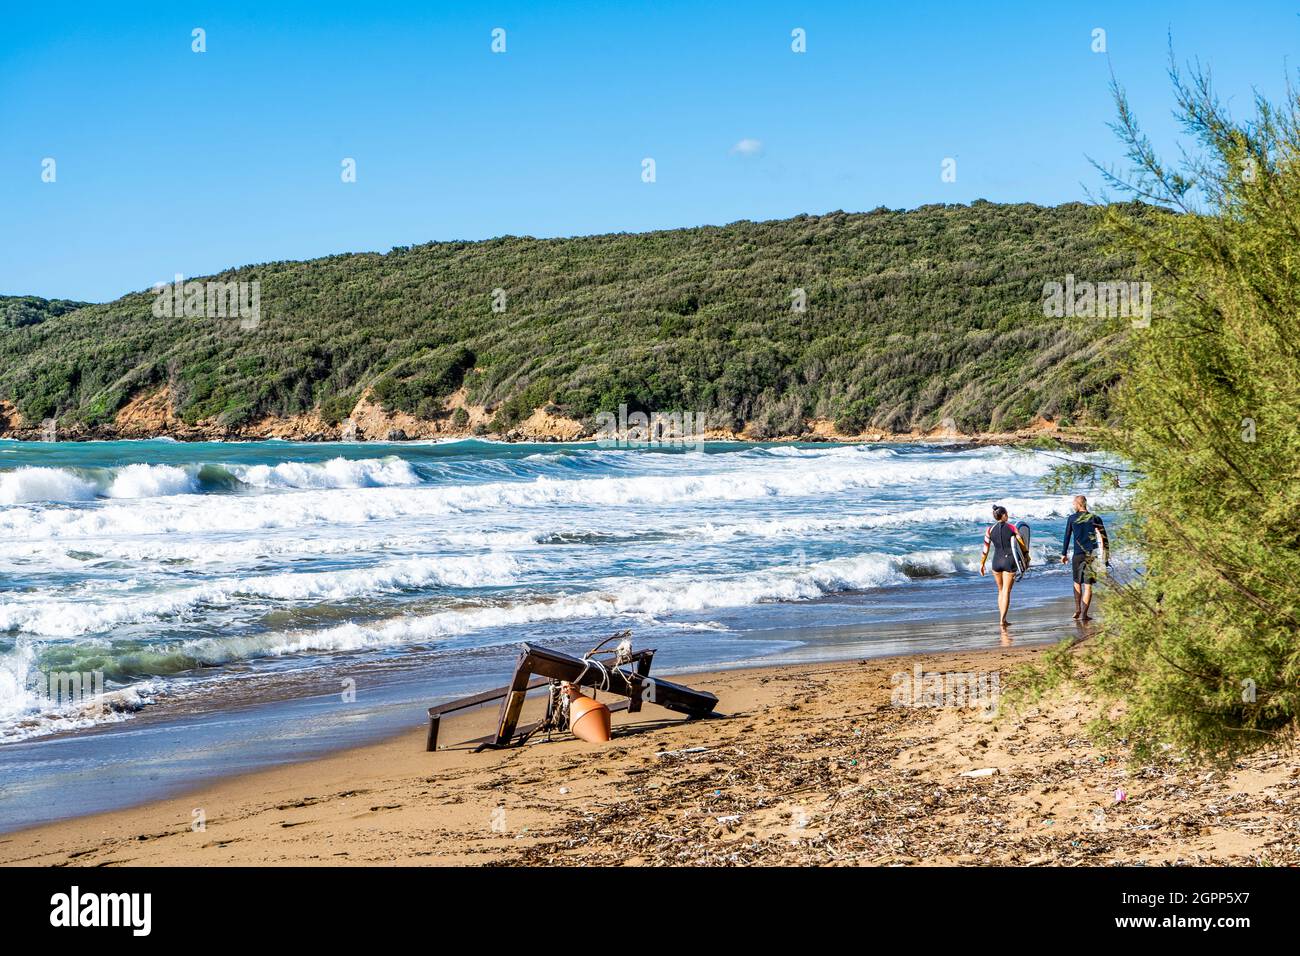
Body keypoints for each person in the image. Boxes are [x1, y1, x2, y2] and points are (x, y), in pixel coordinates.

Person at [1060, 495, 1110, 621]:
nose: (1073, 506)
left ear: (1078, 504)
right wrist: (1106, 556)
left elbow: (1067, 536)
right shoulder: (1094, 518)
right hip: (1091, 555)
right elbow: (1104, 538)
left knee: (1077, 583)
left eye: (1074, 504)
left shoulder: (1071, 518)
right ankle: (1084, 614)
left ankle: (1078, 608)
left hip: (1077, 555)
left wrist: (1063, 554)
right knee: (1088, 586)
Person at [979, 505, 1028, 627]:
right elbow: (1021, 543)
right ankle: (1003, 620)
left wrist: (982, 563)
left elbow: (985, 548)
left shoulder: (989, 530)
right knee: (1006, 591)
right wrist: (1026, 556)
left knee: (1000, 590)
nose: (1008, 515)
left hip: (995, 562)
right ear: (1004, 515)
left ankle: (1002, 619)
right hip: (1009, 561)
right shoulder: (1011, 527)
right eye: (1007, 513)